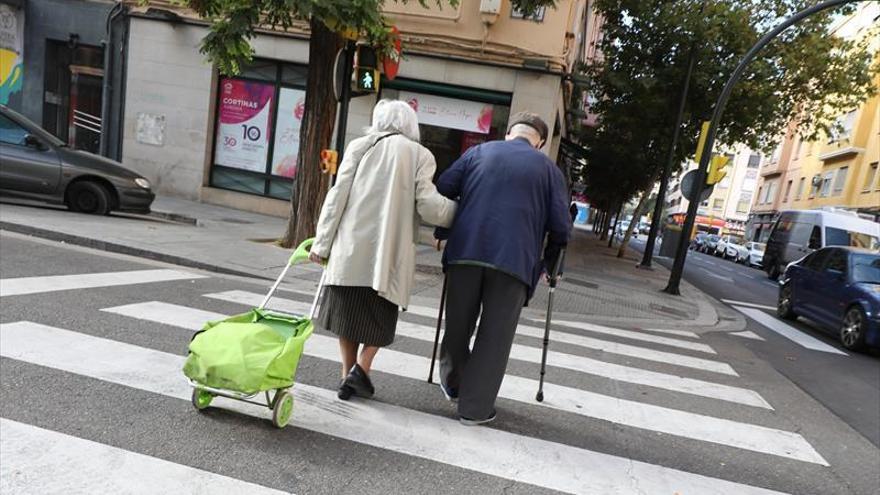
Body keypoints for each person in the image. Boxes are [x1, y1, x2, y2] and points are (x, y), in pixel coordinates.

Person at [310, 100, 457, 400]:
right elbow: (428, 205)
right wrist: (460, 212)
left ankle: (348, 374)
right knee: (380, 316)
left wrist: (321, 243)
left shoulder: (359, 146)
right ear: (410, 124)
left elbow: (337, 196)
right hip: (389, 254)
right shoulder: (420, 154)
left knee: (347, 315)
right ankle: (361, 369)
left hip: (351, 249)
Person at [434, 112, 571, 425]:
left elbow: (444, 187)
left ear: (510, 133)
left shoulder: (477, 153)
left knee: (458, 324)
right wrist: (551, 262)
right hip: (514, 262)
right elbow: (560, 226)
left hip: (466, 253)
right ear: (540, 143)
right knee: (494, 337)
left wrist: (444, 231)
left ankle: (453, 381)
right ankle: (474, 408)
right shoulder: (549, 171)